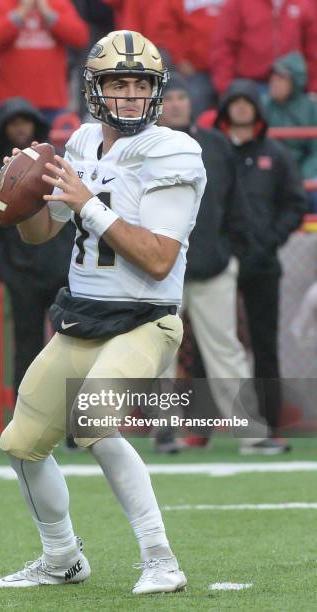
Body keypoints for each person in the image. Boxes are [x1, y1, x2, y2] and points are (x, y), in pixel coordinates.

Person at [0, 30, 206, 594]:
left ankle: (161, 559)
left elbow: (159, 259)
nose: (131, 95)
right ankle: (62, 558)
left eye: (141, 85)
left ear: (156, 93)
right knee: (20, 443)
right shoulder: (84, 142)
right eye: (119, 83)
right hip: (83, 317)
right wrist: (22, 197)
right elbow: (43, 234)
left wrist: (87, 205)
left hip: (145, 318)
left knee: (93, 421)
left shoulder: (175, 150)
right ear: (95, 90)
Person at [156, 76, 282, 454]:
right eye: (169, 98)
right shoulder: (142, 147)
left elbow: (237, 204)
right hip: (160, 270)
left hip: (213, 265)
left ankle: (251, 433)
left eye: (181, 96)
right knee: (158, 353)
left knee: (226, 351)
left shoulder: (214, 144)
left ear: (191, 102)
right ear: (158, 106)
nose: (176, 104)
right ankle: (164, 432)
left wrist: (237, 253)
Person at [214, 79, 308, 439]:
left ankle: (269, 424)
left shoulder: (277, 154)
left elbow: (296, 204)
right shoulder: (215, 152)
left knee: (264, 345)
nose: (240, 108)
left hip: (263, 262)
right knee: (213, 343)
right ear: (225, 109)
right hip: (220, 262)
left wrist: (270, 240)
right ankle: (207, 424)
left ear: (257, 108)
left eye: (246, 102)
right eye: (234, 102)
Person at [0, 96, 74, 397]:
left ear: (36, 125)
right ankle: (25, 419)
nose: (20, 128)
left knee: (72, 348)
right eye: (13, 123)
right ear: (3, 130)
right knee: (26, 349)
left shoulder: (59, 168)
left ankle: (74, 424)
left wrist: (69, 267)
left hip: (61, 274)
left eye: (25, 121)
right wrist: (8, 275)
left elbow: (72, 217)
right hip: (23, 277)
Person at [0, 0, 89, 125]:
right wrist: (21, 12)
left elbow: (81, 37)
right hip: (11, 105)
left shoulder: (58, 4)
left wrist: (48, 14)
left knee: (53, 145)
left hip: (53, 103)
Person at [211, 0, 317, 96]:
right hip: (251, 86)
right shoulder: (238, 3)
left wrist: (313, 90)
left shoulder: (306, 3)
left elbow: (313, 49)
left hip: (293, 88)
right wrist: (225, 87)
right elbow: (224, 46)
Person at [263, 51, 317, 213]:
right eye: (273, 77)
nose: (274, 82)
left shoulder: (310, 108)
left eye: (281, 78)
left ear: (296, 81)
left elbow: (315, 152)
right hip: (266, 171)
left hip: (302, 172)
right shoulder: (261, 105)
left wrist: (302, 176)